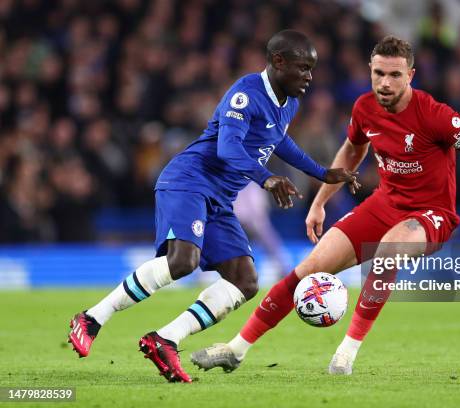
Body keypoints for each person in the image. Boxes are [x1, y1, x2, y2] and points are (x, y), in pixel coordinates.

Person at [191, 35, 460, 376]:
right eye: (379, 73)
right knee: (309, 268)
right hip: (383, 205)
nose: (385, 83)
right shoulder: (364, 108)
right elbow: (353, 149)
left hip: (431, 214)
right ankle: (236, 349)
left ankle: (345, 354)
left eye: (395, 75)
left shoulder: (435, 115)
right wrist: (319, 203)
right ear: (370, 71)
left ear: (410, 75)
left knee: (389, 251)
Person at [67, 29, 359, 383]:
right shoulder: (246, 94)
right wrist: (265, 178)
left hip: (220, 198)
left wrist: (323, 172)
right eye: (303, 68)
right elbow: (228, 149)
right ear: (279, 62)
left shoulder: (289, 102)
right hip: (189, 181)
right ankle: (92, 318)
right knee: (182, 261)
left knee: (245, 280)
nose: (309, 77)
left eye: (312, 69)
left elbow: (280, 141)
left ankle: (165, 339)